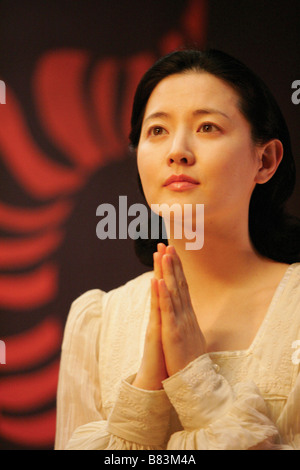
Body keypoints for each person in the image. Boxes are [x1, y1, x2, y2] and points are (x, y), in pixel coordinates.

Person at [55, 49, 300, 450]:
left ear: (266, 160)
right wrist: (145, 395)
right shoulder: (97, 323)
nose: (178, 151)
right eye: (157, 131)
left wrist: (194, 381)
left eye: (207, 127)